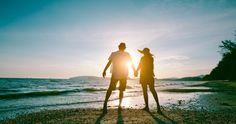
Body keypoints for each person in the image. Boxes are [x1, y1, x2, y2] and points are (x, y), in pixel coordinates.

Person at [102, 42, 136, 114]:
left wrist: (104, 70)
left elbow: (109, 63)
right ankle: (119, 106)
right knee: (121, 90)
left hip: (116, 74)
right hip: (123, 74)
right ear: (124, 47)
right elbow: (131, 63)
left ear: (119, 47)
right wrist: (134, 70)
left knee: (111, 89)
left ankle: (105, 104)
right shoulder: (126, 54)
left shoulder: (114, 53)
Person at [135, 48, 161, 113]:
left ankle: (148, 107)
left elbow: (140, 65)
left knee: (145, 91)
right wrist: (152, 73)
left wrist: (136, 71)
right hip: (149, 76)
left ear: (144, 52)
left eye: (144, 52)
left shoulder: (143, 58)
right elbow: (152, 67)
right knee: (152, 90)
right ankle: (157, 107)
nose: (143, 53)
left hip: (144, 76)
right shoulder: (151, 58)